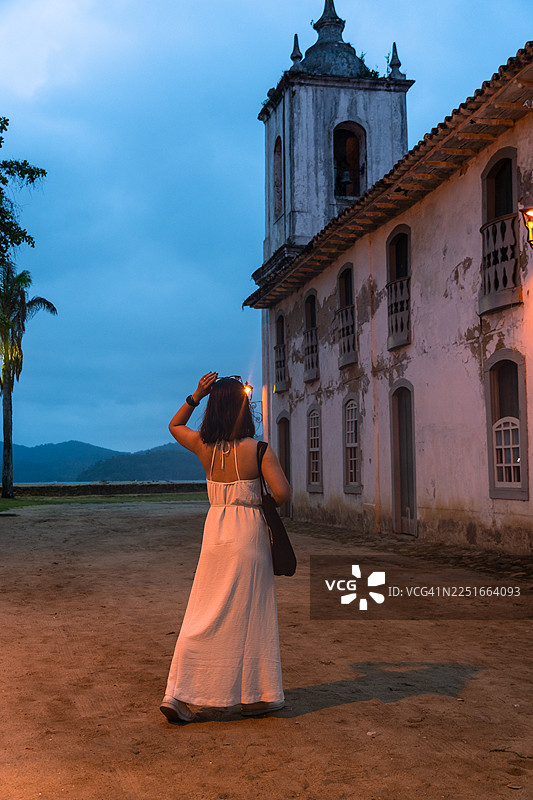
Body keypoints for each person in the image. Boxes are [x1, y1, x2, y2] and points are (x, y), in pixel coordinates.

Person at [160, 372, 291, 724]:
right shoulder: (259, 449)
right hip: (248, 533)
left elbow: (174, 426)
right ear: (243, 408)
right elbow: (282, 493)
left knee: (205, 609)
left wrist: (195, 395)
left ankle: (180, 692)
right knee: (251, 613)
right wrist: (257, 499)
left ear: (215, 408)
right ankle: (256, 695)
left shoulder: (204, 445)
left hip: (216, 532)